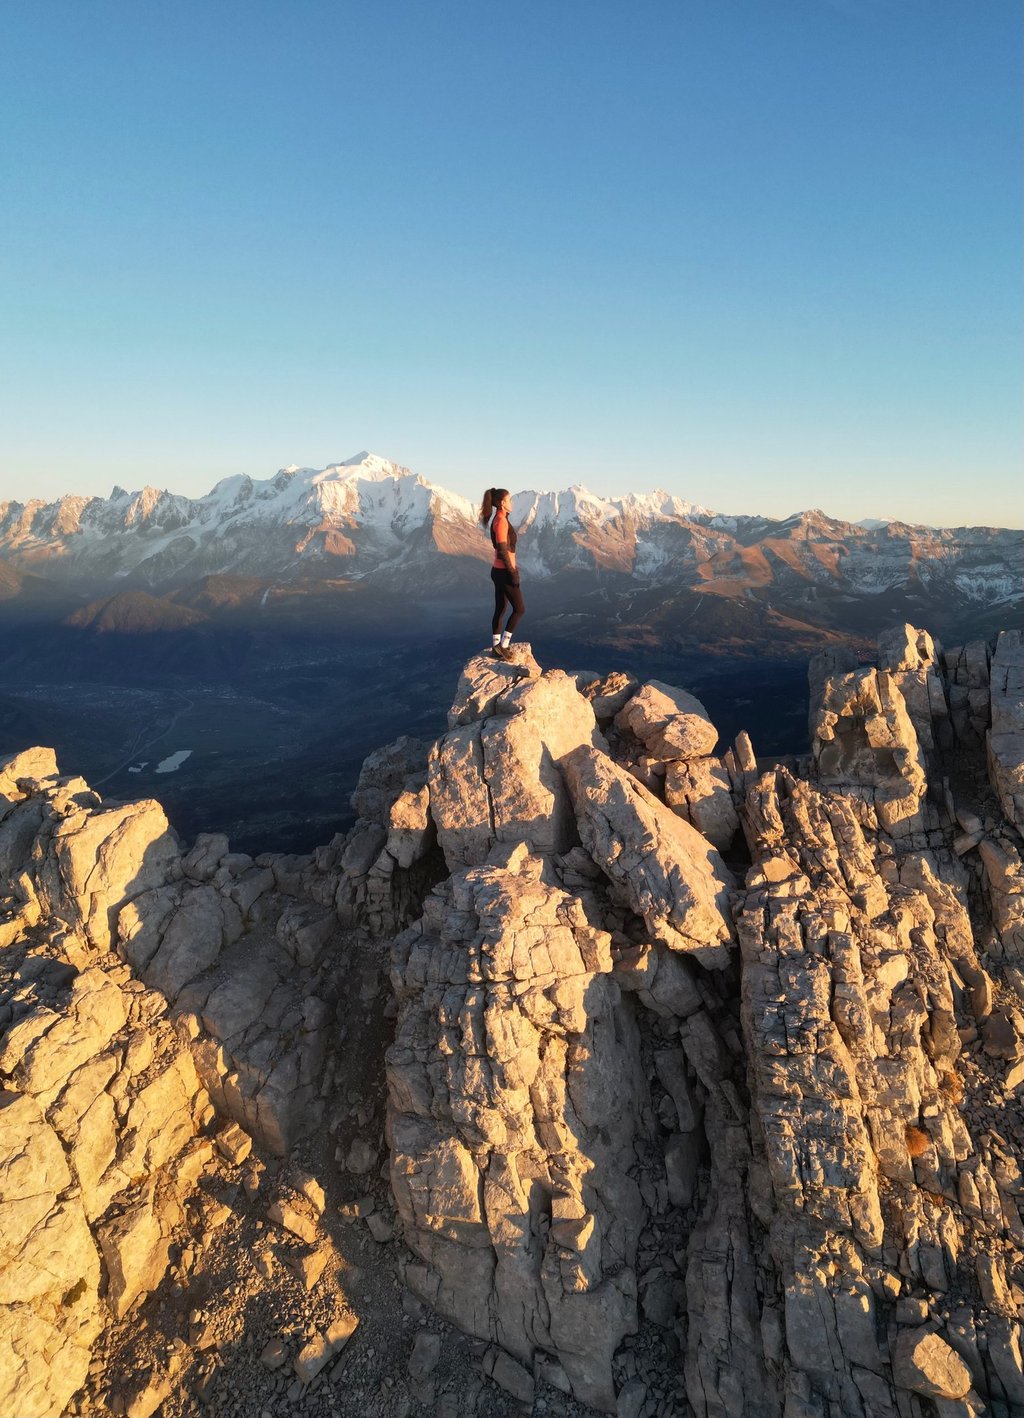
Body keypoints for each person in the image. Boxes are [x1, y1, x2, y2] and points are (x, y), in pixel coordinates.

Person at [479, 487, 524, 661]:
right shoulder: (501, 521)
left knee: (501, 608)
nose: (512, 503)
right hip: (504, 572)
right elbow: (503, 550)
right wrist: (512, 573)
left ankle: (496, 647)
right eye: (509, 500)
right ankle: (503, 647)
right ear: (503, 503)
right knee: (519, 609)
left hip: (499, 571)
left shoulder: (500, 519)